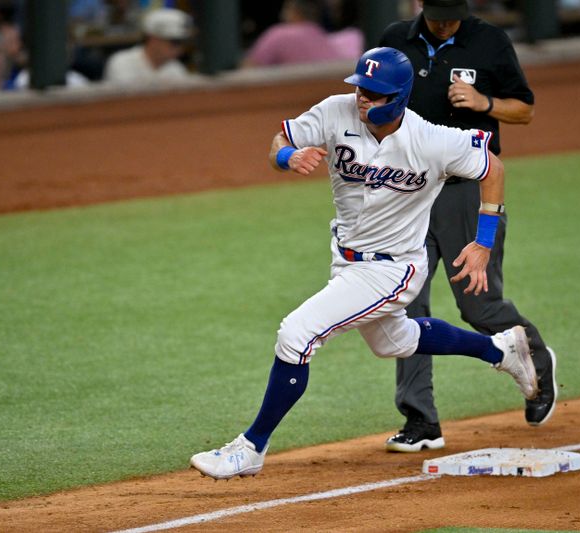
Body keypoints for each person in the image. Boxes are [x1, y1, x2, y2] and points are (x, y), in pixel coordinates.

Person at [189, 46, 539, 480]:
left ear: (398, 97)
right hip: (346, 260)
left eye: (373, 94)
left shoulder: (432, 140)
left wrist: (483, 242)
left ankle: (250, 448)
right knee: (393, 341)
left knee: (296, 334)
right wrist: (287, 157)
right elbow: (280, 142)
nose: (361, 99)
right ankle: (501, 349)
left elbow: (493, 169)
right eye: (360, 89)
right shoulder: (335, 112)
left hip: (395, 269)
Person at [378, 0, 557, 453]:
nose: (444, 22)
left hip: (466, 193)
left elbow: (525, 110)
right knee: (405, 303)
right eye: (437, 12)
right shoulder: (396, 41)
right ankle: (420, 419)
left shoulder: (489, 41)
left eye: (453, 13)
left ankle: (535, 358)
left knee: (478, 307)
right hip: (407, 195)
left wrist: (485, 103)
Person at [103, 7, 193, 84]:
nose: (180, 48)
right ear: (153, 39)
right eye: (175, 42)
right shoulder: (121, 62)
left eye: (182, 43)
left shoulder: (176, 69)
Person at [240, 0, 341, 67]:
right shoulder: (322, 35)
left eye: (286, 9)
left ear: (296, 12)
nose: (282, 15)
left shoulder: (278, 34)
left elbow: (248, 69)